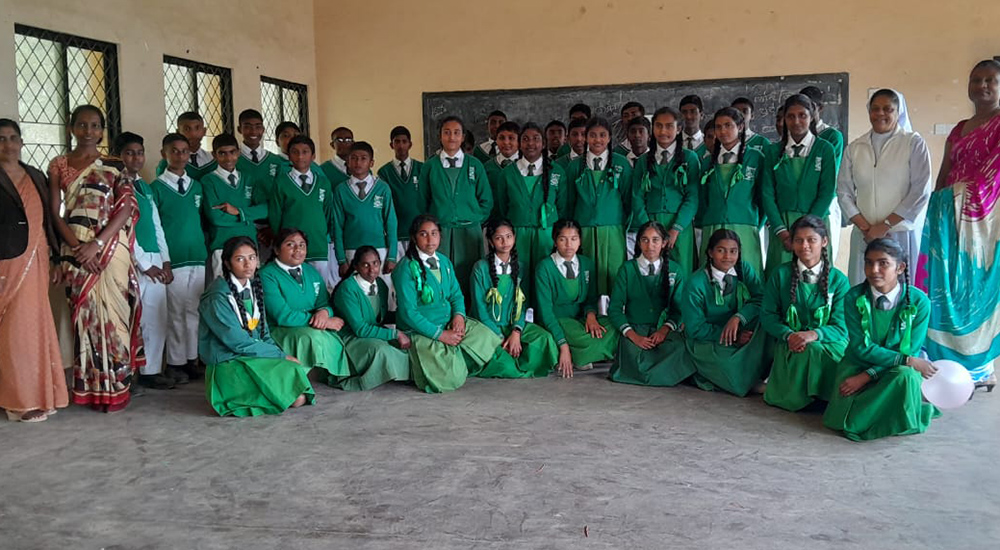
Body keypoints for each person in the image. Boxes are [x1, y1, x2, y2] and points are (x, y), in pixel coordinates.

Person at [48, 105, 144, 412]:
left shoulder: (114, 164)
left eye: (94, 126)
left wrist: (98, 244)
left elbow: (127, 207)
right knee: (85, 322)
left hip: (111, 250)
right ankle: (90, 390)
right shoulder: (59, 164)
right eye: (82, 125)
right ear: (72, 129)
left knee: (114, 318)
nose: (88, 131)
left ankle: (116, 388)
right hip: (74, 251)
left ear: (102, 130)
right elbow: (55, 212)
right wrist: (79, 247)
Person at [918, 59, 1000, 391]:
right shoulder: (959, 128)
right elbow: (944, 173)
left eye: (990, 80)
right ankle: (942, 359)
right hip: (946, 218)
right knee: (944, 287)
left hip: (984, 223)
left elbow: (994, 174)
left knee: (976, 289)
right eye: (976, 79)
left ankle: (981, 367)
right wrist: (938, 203)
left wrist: (962, 195)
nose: (982, 85)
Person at [823, 238, 939, 440]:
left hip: (893, 369)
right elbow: (861, 348)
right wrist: (906, 361)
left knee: (906, 376)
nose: (874, 269)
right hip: (857, 365)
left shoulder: (919, 302)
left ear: (900, 267)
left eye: (883, 263)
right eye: (869, 262)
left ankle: (892, 417)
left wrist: (868, 376)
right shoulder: (853, 297)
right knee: (845, 420)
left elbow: (910, 351)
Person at [391, 215, 512, 393]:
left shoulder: (444, 262)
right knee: (450, 379)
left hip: (448, 321)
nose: (430, 239)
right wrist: (440, 335)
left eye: (434, 233)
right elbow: (409, 313)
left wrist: (459, 317)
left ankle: (454, 358)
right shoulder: (405, 268)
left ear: (440, 236)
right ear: (414, 237)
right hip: (423, 328)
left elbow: (456, 295)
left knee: (487, 339)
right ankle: (447, 361)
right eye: (423, 234)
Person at [199, 236, 315, 416]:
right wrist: (280, 355)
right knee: (296, 397)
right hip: (229, 362)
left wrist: (277, 354)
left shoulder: (253, 288)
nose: (248, 264)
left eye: (252, 258)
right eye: (240, 259)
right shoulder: (217, 297)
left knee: (296, 382)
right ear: (227, 264)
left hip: (252, 355)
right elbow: (237, 343)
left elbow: (264, 333)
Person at [0, 118, 67, 422]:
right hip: (5, 261)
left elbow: (49, 220)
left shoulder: (35, 175)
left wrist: (55, 257)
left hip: (36, 258)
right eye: (1, 139)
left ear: (22, 142)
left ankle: (35, 394)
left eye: (14, 138)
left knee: (31, 329)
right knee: (13, 331)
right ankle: (17, 400)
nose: (8, 144)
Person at [839, 89, 932, 284]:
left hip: (899, 234)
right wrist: (866, 228)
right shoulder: (855, 148)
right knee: (862, 293)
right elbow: (844, 192)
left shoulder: (913, 143)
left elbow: (920, 191)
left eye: (888, 109)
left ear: (898, 112)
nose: (881, 113)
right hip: (864, 236)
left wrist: (884, 226)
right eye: (875, 109)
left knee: (902, 293)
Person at [761, 216, 849, 411]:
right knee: (807, 350)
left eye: (812, 240)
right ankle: (809, 398)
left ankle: (824, 396)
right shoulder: (780, 275)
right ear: (791, 244)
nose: (805, 246)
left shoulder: (838, 280)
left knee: (817, 349)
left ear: (824, 241)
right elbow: (768, 315)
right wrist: (789, 335)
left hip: (830, 342)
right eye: (798, 240)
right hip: (792, 343)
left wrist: (814, 334)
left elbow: (842, 326)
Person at [114, 132, 174, 390]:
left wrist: (165, 260)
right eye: (129, 152)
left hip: (155, 259)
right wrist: (142, 263)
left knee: (157, 316)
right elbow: (125, 227)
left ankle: (150, 371)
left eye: (139, 152)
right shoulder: (117, 184)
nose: (136, 157)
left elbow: (156, 225)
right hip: (133, 261)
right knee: (133, 318)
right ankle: (129, 375)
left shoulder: (145, 186)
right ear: (118, 156)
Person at [680, 229, 766, 397]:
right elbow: (695, 329)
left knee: (767, 331)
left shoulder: (743, 270)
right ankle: (746, 381)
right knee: (726, 362)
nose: (728, 256)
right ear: (710, 253)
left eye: (733, 251)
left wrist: (739, 317)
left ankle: (756, 375)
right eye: (721, 250)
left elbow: (761, 298)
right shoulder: (695, 284)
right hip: (709, 338)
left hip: (740, 327)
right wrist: (732, 336)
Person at [151, 132, 208, 382]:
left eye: (185, 151)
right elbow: (156, 228)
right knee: (175, 312)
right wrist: (164, 260)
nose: (180, 156)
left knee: (193, 310)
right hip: (174, 258)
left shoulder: (197, 186)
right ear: (164, 154)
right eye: (174, 151)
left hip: (196, 255)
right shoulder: (157, 188)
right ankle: (175, 362)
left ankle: (190, 359)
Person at [760, 94, 837, 277]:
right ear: (784, 119)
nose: (796, 121)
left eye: (802, 115)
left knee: (815, 277)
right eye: (790, 116)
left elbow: (827, 192)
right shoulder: (773, 151)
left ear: (811, 117)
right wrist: (782, 231)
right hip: (783, 226)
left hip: (816, 223)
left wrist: (809, 229)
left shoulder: (824, 149)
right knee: (781, 279)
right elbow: (767, 193)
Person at [469, 219, 558, 377]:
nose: (505, 242)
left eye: (508, 236)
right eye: (498, 238)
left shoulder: (521, 267)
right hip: (489, 328)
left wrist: (516, 331)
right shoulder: (480, 268)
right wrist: (500, 336)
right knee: (502, 363)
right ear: (490, 241)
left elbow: (523, 306)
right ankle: (513, 362)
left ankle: (518, 357)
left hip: (512, 325)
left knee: (545, 339)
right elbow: (479, 309)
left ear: (514, 238)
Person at [417, 116, 492, 300]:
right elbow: (422, 201)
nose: (452, 137)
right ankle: (444, 315)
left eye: (456, 133)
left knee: (471, 278)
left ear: (463, 136)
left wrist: (473, 218)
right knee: (440, 275)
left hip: (469, 233)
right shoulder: (429, 167)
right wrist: (434, 225)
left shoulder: (475, 165)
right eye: (447, 132)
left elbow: (486, 200)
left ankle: (470, 318)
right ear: (440, 136)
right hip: (440, 233)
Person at [259, 227, 348, 379]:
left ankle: (330, 375)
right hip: (282, 329)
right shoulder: (267, 275)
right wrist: (322, 322)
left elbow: (324, 302)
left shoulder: (310, 271)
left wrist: (325, 312)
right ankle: (301, 378)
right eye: (290, 245)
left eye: (302, 245)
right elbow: (282, 316)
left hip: (313, 324)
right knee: (311, 336)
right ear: (276, 249)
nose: (297, 249)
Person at [608, 221, 690, 386]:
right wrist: (634, 336)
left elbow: (679, 309)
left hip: (663, 330)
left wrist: (664, 330)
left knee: (683, 348)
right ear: (638, 243)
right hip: (635, 330)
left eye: (655, 240)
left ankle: (659, 373)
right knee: (636, 359)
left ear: (664, 243)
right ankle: (665, 375)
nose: (650, 245)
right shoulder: (627, 269)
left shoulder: (676, 270)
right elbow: (615, 309)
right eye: (644, 240)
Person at [534, 219, 618, 377]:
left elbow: (591, 299)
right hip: (558, 321)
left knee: (614, 325)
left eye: (574, 239)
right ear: (554, 240)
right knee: (585, 339)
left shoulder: (586, 264)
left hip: (581, 320)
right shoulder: (544, 267)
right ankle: (578, 353)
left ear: (580, 240)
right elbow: (545, 311)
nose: (568, 245)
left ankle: (584, 354)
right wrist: (563, 345)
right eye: (562, 239)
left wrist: (591, 316)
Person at [493, 122, 566, 301]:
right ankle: (519, 317)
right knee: (519, 277)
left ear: (543, 143)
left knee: (545, 277)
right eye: (525, 139)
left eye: (536, 139)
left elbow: (563, 206)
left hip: (546, 235)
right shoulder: (508, 174)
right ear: (519, 143)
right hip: (518, 235)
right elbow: (502, 207)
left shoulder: (557, 172)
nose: (531, 143)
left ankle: (544, 316)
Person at [563, 116, 633, 300]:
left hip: (613, 231)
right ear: (586, 138)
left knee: (613, 273)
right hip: (583, 231)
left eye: (602, 135)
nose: (597, 140)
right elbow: (569, 201)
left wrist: (619, 221)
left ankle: (614, 315)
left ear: (610, 138)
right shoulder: (575, 166)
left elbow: (628, 199)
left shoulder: (621, 164)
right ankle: (589, 314)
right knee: (588, 274)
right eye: (592, 135)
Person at [632, 106, 702, 274]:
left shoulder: (689, 158)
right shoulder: (643, 161)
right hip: (650, 222)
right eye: (658, 125)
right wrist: (647, 229)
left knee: (681, 273)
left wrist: (676, 228)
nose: (663, 131)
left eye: (669, 126)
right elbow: (637, 196)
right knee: (652, 272)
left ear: (678, 129)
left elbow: (692, 197)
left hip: (679, 227)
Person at [331, 246, 412, 390]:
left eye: (375, 263)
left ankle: (404, 374)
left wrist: (405, 316)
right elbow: (360, 329)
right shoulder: (348, 289)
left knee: (407, 346)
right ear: (356, 266)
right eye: (365, 265)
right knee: (381, 350)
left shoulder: (380, 284)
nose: (372, 269)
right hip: (351, 338)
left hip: (371, 333)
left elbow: (380, 317)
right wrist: (395, 333)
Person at [697, 108, 766, 274]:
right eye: (718, 127)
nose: (723, 131)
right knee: (713, 277)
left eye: (728, 125)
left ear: (740, 127)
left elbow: (764, 197)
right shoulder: (707, 162)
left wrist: (756, 223)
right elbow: (703, 198)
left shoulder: (755, 158)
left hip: (745, 228)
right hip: (713, 226)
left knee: (746, 276)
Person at [267, 135, 337, 289]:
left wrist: (322, 232)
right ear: (289, 155)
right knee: (293, 287)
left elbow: (327, 212)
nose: (300, 156)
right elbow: (275, 216)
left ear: (313, 156)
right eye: (295, 152)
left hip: (318, 246)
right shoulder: (281, 182)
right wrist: (282, 241)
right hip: (291, 247)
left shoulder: (323, 182)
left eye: (305, 152)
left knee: (319, 288)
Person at [202, 133, 267, 278]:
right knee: (225, 292)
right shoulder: (208, 181)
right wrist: (247, 219)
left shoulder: (249, 179)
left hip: (249, 246)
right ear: (214, 155)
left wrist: (238, 211)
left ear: (238, 153)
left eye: (232, 152)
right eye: (222, 153)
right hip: (222, 245)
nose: (228, 158)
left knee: (252, 292)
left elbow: (265, 209)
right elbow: (215, 218)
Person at [331, 141, 397, 279]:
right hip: (352, 250)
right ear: (347, 162)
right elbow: (337, 226)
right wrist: (341, 259)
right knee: (356, 290)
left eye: (363, 158)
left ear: (371, 163)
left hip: (379, 249)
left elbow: (391, 223)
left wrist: (392, 256)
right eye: (353, 158)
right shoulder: (341, 190)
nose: (358, 162)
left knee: (381, 291)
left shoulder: (382, 188)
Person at [377, 126, 423, 262]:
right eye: (397, 142)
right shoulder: (384, 172)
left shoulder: (422, 168)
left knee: (419, 268)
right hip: (396, 232)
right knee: (398, 270)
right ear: (391, 145)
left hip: (418, 229)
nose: (401, 145)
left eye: (404, 141)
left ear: (410, 144)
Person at [155, 111, 216, 179]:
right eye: (187, 129)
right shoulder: (169, 163)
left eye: (197, 128)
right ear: (178, 132)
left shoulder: (213, 160)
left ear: (204, 131)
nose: (193, 133)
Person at [483, 121, 521, 217]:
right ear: (496, 140)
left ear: (519, 141)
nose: (506, 142)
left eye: (511, 138)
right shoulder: (487, 167)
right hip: (492, 220)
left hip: (517, 221)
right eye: (501, 138)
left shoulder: (525, 166)